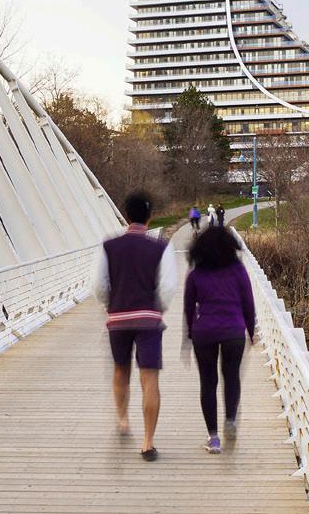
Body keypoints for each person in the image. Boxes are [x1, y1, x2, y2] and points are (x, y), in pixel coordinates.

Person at [94, 191, 179, 460]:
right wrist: (157, 308)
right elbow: (168, 287)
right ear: (150, 216)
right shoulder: (160, 248)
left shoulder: (109, 246)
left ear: (126, 215)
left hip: (118, 318)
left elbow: (99, 286)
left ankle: (122, 420)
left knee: (121, 370)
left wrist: (111, 304)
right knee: (149, 377)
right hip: (148, 320)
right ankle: (147, 442)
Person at [183, 224, 256, 454]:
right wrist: (251, 331)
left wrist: (190, 334)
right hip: (233, 330)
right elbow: (248, 302)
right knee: (231, 377)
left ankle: (213, 439)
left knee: (208, 382)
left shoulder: (195, 275)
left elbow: (188, 308)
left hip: (204, 331)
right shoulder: (238, 270)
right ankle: (230, 419)